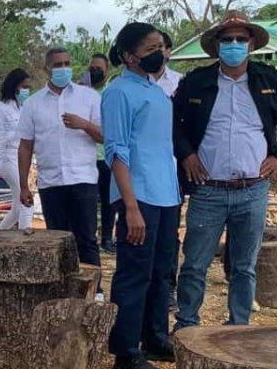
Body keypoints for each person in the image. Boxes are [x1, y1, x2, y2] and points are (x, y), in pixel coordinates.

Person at [173, 10, 277, 331]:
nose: (234, 44)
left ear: (251, 44)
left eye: (240, 39)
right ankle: (186, 325)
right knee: (194, 264)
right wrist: (187, 154)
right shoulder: (197, 81)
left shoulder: (270, 80)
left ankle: (238, 328)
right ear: (217, 45)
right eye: (227, 39)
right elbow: (173, 122)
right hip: (208, 189)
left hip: (253, 190)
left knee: (245, 267)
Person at [102, 22, 181, 369]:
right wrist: (130, 206)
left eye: (161, 47)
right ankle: (126, 351)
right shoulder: (119, 92)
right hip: (140, 195)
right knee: (135, 274)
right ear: (129, 56)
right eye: (150, 49)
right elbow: (117, 151)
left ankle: (155, 338)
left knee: (162, 271)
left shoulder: (158, 91)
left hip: (166, 193)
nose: (159, 54)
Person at [18, 47, 103, 276]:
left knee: (86, 238)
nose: (63, 69)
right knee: (57, 239)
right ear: (46, 68)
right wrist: (24, 185)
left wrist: (84, 124)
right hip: (51, 182)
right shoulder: (33, 104)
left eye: (67, 63)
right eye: (57, 65)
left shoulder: (89, 97)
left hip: (83, 179)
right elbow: (25, 146)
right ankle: (62, 288)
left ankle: (93, 291)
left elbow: (105, 136)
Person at [0, 68, 35, 230]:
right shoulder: (0, 109)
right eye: (24, 87)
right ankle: (25, 238)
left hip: (21, 158)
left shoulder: (23, 108)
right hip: (7, 158)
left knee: (18, 206)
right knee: (26, 201)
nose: (26, 91)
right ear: (14, 86)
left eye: (28, 87)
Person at [88, 53, 116, 254]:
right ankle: (89, 237)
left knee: (109, 201)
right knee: (89, 202)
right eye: (92, 68)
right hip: (87, 158)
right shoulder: (80, 94)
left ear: (107, 71)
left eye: (99, 68)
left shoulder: (111, 93)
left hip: (106, 157)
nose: (95, 71)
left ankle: (107, 238)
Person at [151, 32, 182, 97]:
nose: (155, 52)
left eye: (160, 47)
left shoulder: (179, 80)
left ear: (168, 51)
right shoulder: (136, 81)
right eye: (151, 48)